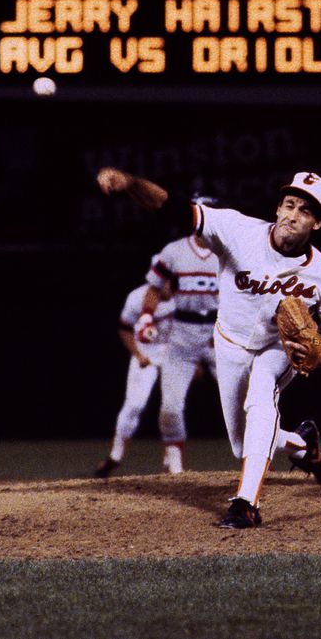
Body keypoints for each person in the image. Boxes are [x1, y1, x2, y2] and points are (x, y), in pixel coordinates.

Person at [97, 167, 321, 529]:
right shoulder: (237, 230)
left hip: (278, 350)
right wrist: (130, 184)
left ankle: (246, 504)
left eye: (306, 211)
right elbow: (172, 208)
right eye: (290, 204)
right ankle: (304, 446)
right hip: (229, 345)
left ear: (318, 224)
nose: (294, 215)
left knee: (262, 399)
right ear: (278, 207)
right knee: (241, 445)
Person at [134, 200, 222, 473]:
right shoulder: (174, 251)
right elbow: (153, 287)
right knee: (170, 407)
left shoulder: (229, 251)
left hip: (221, 334)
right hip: (183, 332)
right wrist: (146, 315)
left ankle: (258, 464)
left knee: (246, 403)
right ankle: (176, 470)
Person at [92, 282, 180, 478]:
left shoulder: (184, 295)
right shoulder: (137, 297)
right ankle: (114, 457)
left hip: (174, 355)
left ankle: (172, 465)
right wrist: (138, 354)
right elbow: (124, 328)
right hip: (145, 354)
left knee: (172, 408)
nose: (166, 284)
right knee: (134, 405)